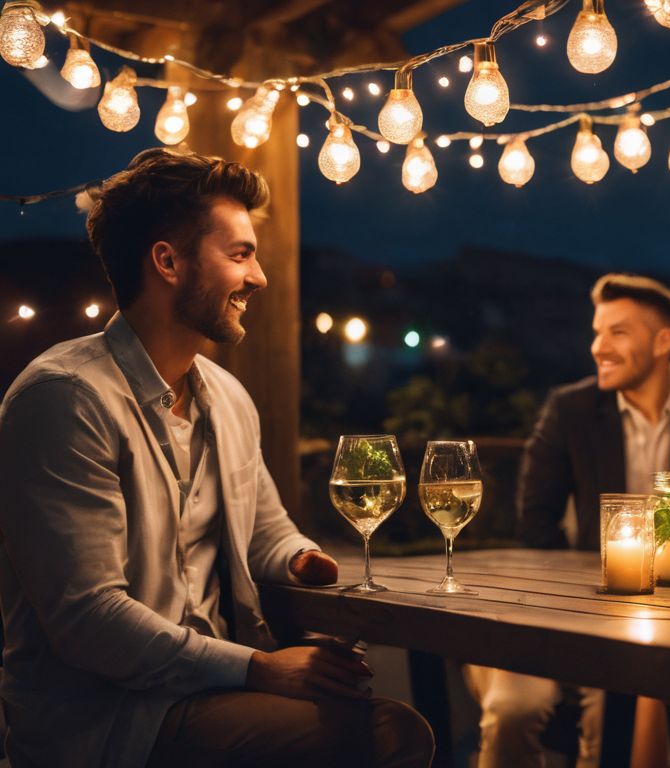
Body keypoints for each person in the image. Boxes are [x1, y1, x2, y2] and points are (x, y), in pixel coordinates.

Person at [0, 149, 434, 768]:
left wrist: (301, 558)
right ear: (168, 262)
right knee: (392, 734)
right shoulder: (64, 398)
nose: (258, 277)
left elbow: (265, 529)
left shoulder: (227, 397)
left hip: (205, 690)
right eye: (240, 254)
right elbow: (88, 620)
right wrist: (259, 668)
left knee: (370, 707)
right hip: (111, 720)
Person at [464, 273, 670, 767]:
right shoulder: (570, 409)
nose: (599, 347)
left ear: (663, 341)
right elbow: (535, 527)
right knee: (514, 708)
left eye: (618, 332)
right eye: (597, 332)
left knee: (616, 705)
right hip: (569, 614)